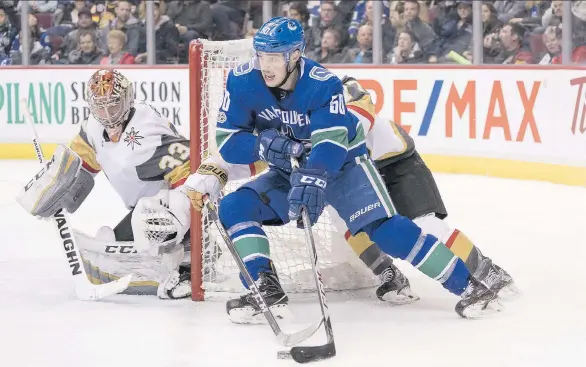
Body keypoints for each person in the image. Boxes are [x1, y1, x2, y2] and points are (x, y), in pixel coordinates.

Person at [185, 17, 516, 322]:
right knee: (234, 206)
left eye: (274, 57)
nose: (265, 65)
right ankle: (264, 289)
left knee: (387, 231)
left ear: (295, 54)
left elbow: (331, 145)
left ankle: (472, 287)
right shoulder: (243, 81)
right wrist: (265, 147)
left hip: (344, 166)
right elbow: (229, 140)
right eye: (261, 56)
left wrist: (314, 178)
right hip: (289, 170)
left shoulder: (323, 84)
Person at [16, 69, 193, 300]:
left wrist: (190, 228)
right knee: (106, 257)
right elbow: (80, 169)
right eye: (100, 105)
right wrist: (53, 192)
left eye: (114, 105)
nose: (108, 114)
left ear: (128, 100)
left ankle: (188, 262)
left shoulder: (147, 128)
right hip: (141, 211)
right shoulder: (92, 128)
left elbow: (189, 172)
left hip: (168, 208)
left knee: (155, 218)